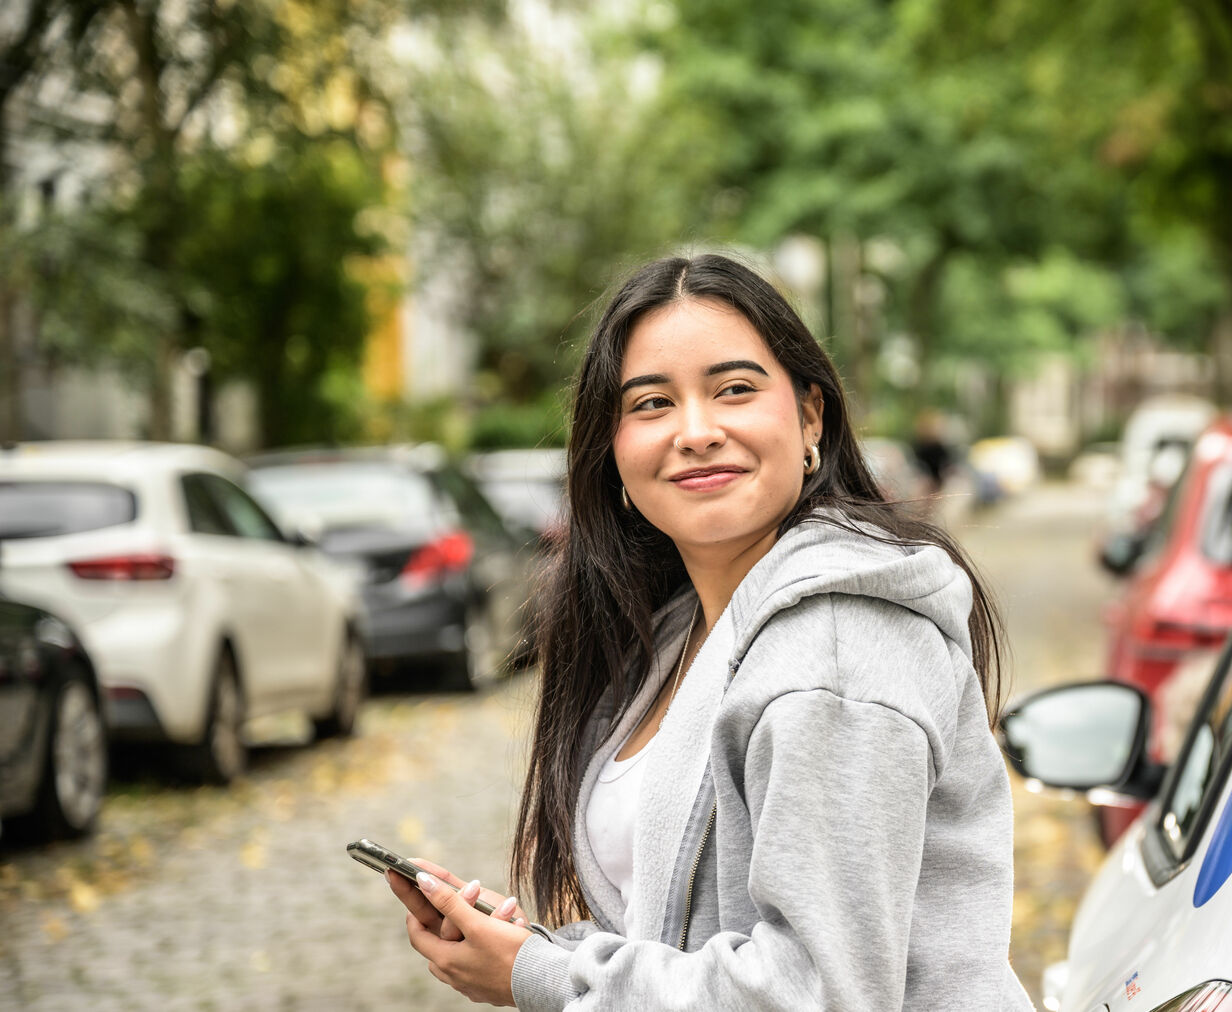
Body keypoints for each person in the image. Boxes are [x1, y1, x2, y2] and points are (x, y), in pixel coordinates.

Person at [384, 252, 1034, 1011]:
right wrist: (541, 951)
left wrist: (549, 979)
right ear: (612, 449)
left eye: (734, 390)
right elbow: (682, 929)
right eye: (652, 403)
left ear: (811, 417)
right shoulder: (678, 637)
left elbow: (819, 993)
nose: (695, 432)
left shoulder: (835, 648)